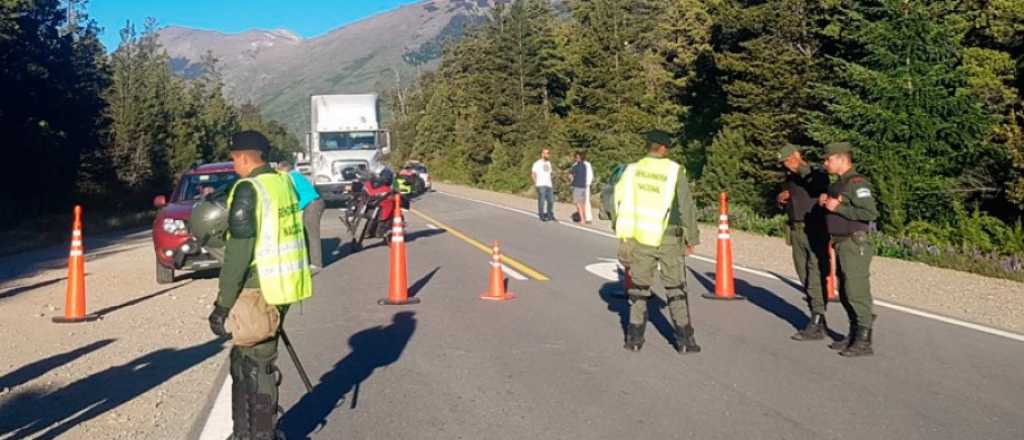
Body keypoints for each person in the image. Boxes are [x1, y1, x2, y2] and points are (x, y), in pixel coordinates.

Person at [207, 130, 314, 439]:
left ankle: (260, 434)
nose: (233, 166)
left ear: (243, 157)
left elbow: (238, 253)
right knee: (247, 360)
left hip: (259, 287)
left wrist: (222, 305)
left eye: (233, 160)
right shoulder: (283, 183)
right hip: (283, 285)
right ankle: (246, 432)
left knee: (255, 366)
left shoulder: (248, 189)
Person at [614, 130, 701, 354]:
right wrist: (691, 237)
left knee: (639, 289)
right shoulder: (674, 170)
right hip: (668, 238)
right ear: (664, 148)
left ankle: (633, 339)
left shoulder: (633, 170)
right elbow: (685, 206)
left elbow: (616, 200)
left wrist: (621, 229)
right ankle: (685, 341)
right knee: (676, 288)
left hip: (640, 237)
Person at [819, 141, 878, 357]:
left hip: (854, 242)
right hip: (840, 241)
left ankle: (864, 340)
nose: (825, 163)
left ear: (842, 158)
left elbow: (869, 212)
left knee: (856, 290)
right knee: (845, 291)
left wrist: (839, 207)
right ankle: (853, 334)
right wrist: (825, 202)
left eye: (828, 159)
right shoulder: (838, 183)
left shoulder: (857, 182)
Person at [776, 144, 832, 341]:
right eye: (784, 163)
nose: (787, 166)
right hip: (796, 229)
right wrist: (783, 198)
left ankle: (817, 319)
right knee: (804, 274)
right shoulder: (790, 178)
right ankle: (817, 316)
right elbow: (793, 195)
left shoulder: (816, 172)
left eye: (789, 161)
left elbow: (816, 185)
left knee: (816, 272)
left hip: (814, 229)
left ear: (798, 155)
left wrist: (799, 167)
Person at [277, 160, 324, 270]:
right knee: (306, 231)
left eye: (279, 170)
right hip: (312, 203)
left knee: (312, 234)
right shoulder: (296, 175)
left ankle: (316, 264)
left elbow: (292, 194)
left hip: (312, 204)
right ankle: (309, 259)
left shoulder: (290, 177)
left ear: (284, 169)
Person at [531, 148, 555, 221]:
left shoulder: (549, 163)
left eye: (548, 153)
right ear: (542, 154)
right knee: (542, 200)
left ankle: (549, 214)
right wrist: (536, 183)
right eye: (545, 153)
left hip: (549, 185)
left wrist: (551, 181)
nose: (547, 154)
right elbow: (533, 174)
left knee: (551, 201)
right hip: (540, 184)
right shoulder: (537, 163)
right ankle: (542, 216)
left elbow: (550, 173)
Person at [569, 152, 590, 223]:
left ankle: (582, 220)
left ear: (578, 158)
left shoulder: (576, 166)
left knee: (578, 204)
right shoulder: (585, 166)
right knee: (582, 204)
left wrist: (571, 181)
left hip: (577, 186)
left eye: (576, 157)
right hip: (583, 187)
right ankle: (584, 218)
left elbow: (570, 175)